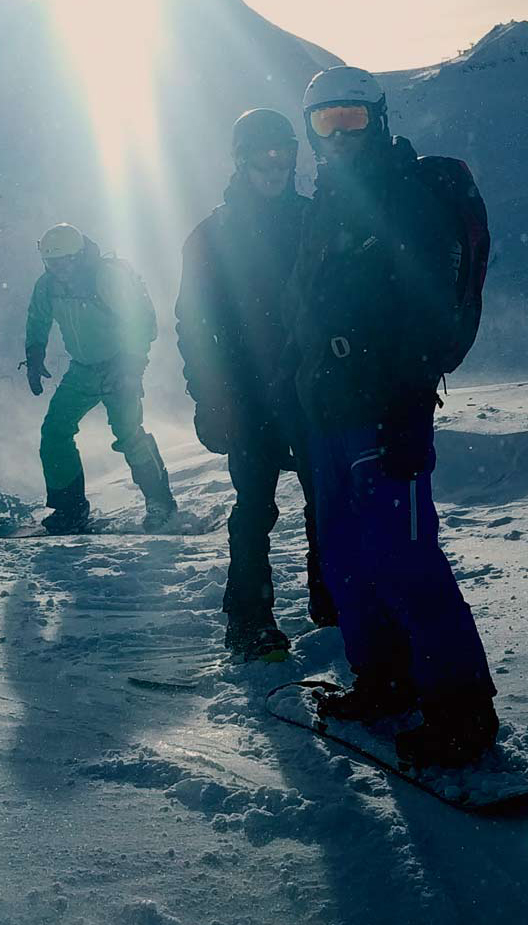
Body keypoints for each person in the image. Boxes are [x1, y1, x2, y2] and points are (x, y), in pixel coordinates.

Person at [285, 65, 498, 767]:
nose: (339, 135)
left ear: (377, 118)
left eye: (351, 119)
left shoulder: (406, 198)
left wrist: (408, 402)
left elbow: (427, 307)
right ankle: (385, 678)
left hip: (386, 410)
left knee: (404, 557)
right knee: (345, 555)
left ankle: (462, 710)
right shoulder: (328, 205)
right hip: (329, 412)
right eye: (325, 122)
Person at [176, 109, 334, 662]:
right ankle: (248, 620)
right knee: (254, 508)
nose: (275, 164)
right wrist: (211, 399)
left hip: (314, 390)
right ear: (241, 161)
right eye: (263, 155)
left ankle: (331, 601)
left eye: (284, 153)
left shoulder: (315, 220)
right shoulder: (213, 237)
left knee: (326, 501)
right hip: (247, 396)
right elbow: (193, 327)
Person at [25, 223, 176, 533]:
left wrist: (131, 367)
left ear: (78, 256)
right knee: (55, 431)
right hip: (82, 369)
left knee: (128, 434)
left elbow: (143, 321)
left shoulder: (106, 277)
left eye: (63, 262)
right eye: (50, 263)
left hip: (119, 365)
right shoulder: (48, 286)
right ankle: (70, 509)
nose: (57, 269)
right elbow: (38, 317)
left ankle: (160, 502)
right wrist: (34, 353)